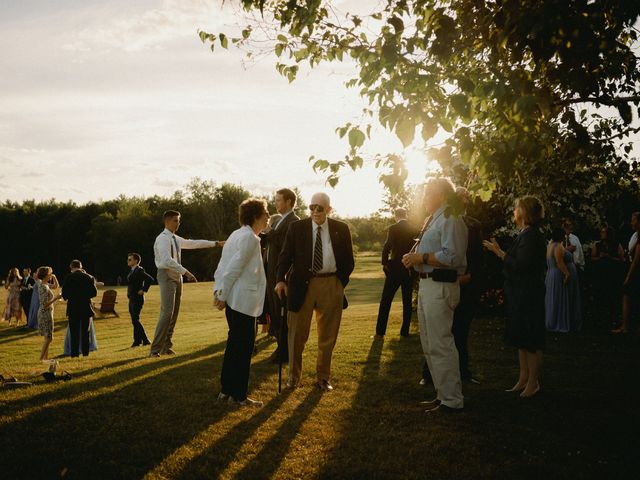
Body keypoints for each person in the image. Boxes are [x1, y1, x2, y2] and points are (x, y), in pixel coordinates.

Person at [275, 192, 354, 392]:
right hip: (301, 286)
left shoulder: (341, 228)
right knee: (296, 335)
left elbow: (348, 261)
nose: (315, 211)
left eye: (320, 208)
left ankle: (323, 378)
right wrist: (280, 280)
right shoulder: (296, 228)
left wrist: (338, 283)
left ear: (328, 209)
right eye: (312, 207)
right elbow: (285, 257)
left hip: (330, 283)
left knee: (328, 336)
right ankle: (293, 377)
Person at [402, 178, 468, 413]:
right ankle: (442, 394)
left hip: (441, 286)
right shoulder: (434, 219)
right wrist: (413, 256)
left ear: (441, 195)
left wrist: (422, 258)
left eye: (427, 192)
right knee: (429, 343)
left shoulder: (451, 217)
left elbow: (454, 257)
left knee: (441, 343)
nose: (423, 197)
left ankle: (452, 399)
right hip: (427, 285)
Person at [483, 196, 546, 398]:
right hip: (520, 293)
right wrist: (499, 251)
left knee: (531, 337)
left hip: (529, 294)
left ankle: (533, 382)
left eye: (517, 208)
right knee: (521, 337)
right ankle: (523, 378)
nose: (514, 211)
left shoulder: (531, 236)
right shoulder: (525, 234)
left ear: (524, 212)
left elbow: (522, 266)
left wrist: (500, 254)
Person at [214, 198, 269, 407]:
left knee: (234, 347)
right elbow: (232, 268)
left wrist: (219, 292)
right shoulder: (249, 238)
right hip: (243, 302)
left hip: (235, 301)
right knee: (243, 349)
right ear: (256, 215)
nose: (268, 217)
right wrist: (221, 294)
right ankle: (239, 396)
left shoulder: (236, 235)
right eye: (265, 213)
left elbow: (221, 267)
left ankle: (226, 392)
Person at [150, 210, 225, 357]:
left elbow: (193, 243)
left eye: (179, 220)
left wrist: (216, 243)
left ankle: (166, 346)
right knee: (166, 313)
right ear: (168, 221)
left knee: (174, 313)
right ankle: (154, 350)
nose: (179, 223)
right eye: (176, 221)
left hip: (177, 276)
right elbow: (166, 260)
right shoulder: (162, 239)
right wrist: (186, 272)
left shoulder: (175, 238)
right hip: (166, 275)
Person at [260, 188, 300, 363]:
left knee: (282, 314)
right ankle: (280, 348)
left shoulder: (294, 221)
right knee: (274, 313)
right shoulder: (277, 222)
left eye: (278, 200)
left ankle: (283, 352)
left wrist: (269, 231)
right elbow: (270, 241)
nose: (275, 203)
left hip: (281, 275)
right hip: (270, 273)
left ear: (289, 202)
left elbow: (285, 245)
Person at [375, 208, 419, 338]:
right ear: (406, 215)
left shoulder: (393, 228)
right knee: (407, 301)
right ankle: (404, 332)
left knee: (386, 301)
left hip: (394, 269)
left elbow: (387, 246)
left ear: (396, 216)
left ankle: (380, 332)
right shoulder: (414, 228)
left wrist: (384, 264)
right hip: (409, 268)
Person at [545, 227, 582, 332]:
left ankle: (554, 320)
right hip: (557, 274)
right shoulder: (557, 246)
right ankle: (558, 322)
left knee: (554, 298)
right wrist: (567, 274)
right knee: (559, 298)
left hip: (552, 274)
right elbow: (559, 262)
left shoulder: (550, 245)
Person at [589, 226, 625, 330]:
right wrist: (600, 258)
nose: (602, 233)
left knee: (612, 297)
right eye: (602, 232)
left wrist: (610, 258)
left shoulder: (616, 245)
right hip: (600, 275)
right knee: (600, 297)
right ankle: (600, 320)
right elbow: (592, 258)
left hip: (612, 276)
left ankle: (613, 319)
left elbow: (621, 259)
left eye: (604, 232)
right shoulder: (598, 245)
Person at [61, 259, 98, 357]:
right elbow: (94, 293)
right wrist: (85, 296)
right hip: (85, 306)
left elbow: (64, 294)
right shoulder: (89, 277)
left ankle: (74, 353)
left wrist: (72, 296)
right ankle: (85, 352)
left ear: (72, 267)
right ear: (80, 267)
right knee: (85, 331)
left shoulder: (69, 278)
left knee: (74, 332)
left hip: (73, 307)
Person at [614, 212, 640, 333]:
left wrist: (629, 276)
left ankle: (626, 326)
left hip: (636, 270)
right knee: (627, 295)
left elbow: (636, 260)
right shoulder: (635, 235)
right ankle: (626, 325)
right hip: (631, 267)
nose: (631, 222)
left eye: (633, 220)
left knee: (628, 294)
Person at [126, 252, 155, 347]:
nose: (128, 261)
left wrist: (143, 289)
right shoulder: (132, 270)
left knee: (135, 319)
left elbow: (150, 279)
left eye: (130, 259)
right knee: (134, 320)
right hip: (132, 298)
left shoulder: (139, 270)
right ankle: (137, 341)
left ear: (136, 261)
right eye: (128, 259)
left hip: (137, 299)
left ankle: (145, 340)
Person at [36, 266, 60, 361]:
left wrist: (54, 276)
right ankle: (41, 358)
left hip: (47, 312)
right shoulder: (43, 287)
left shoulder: (46, 284)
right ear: (45, 275)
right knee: (49, 338)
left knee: (47, 337)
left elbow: (56, 286)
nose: (51, 275)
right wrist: (56, 298)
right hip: (45, 313)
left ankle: (45, 358)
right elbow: (44, 304)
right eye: (50, 273)